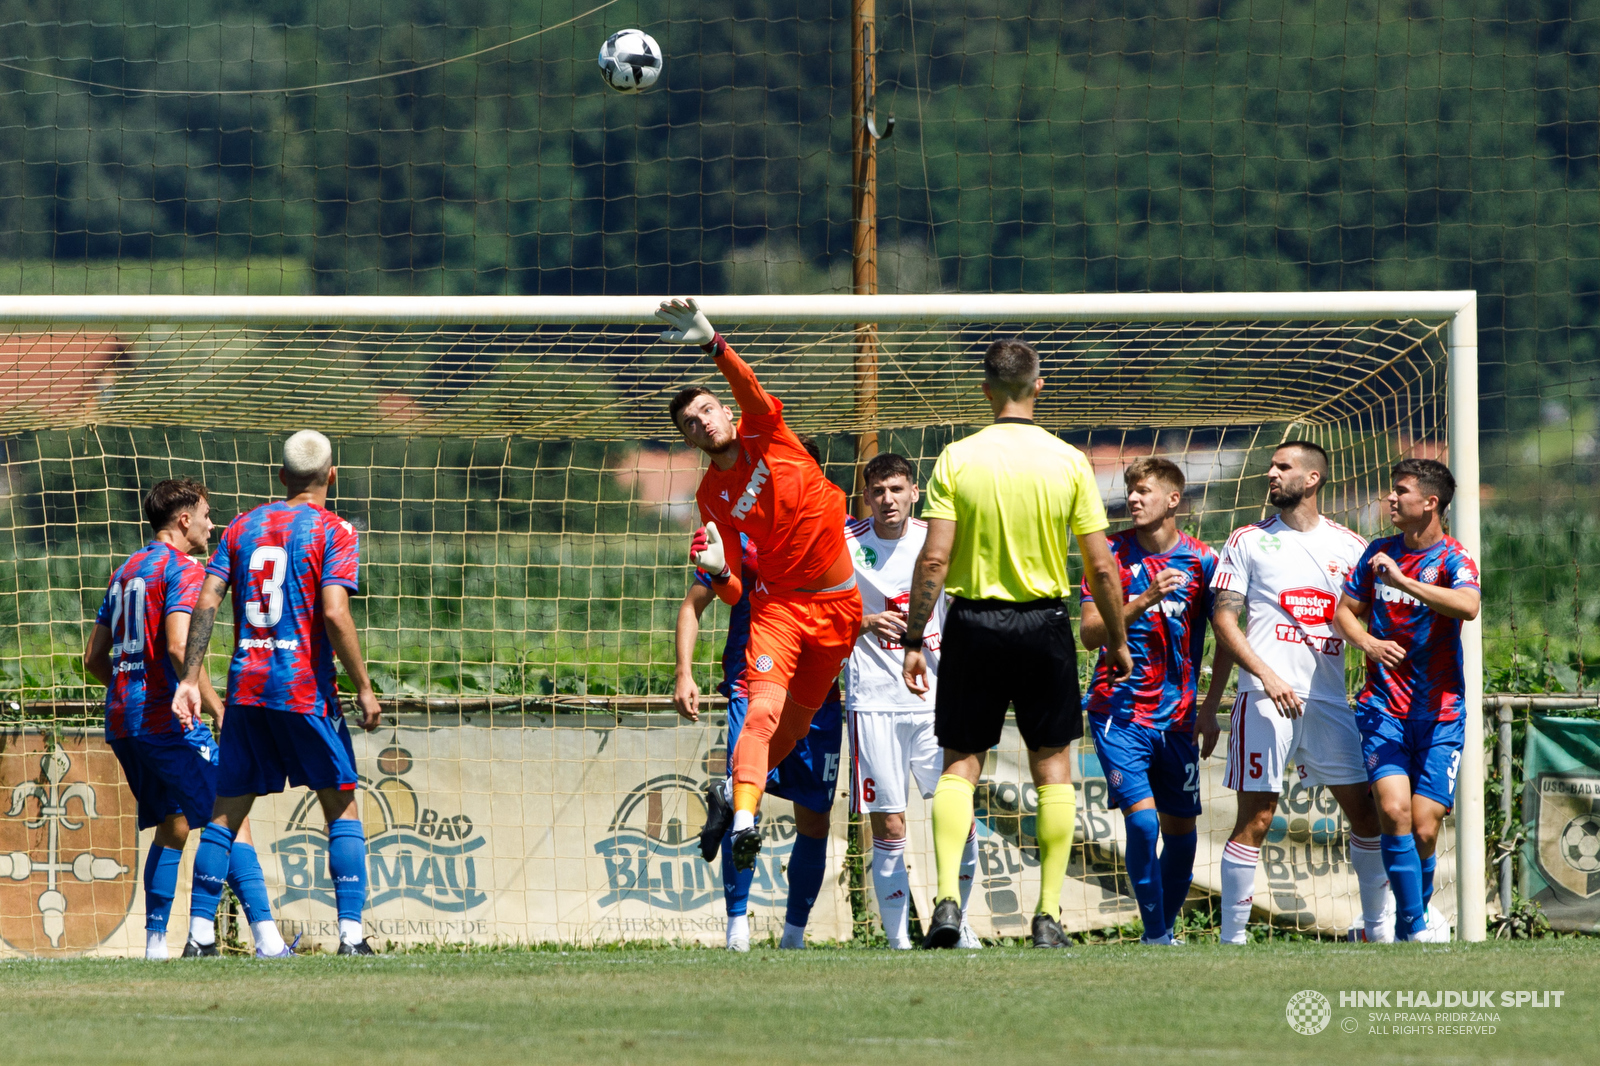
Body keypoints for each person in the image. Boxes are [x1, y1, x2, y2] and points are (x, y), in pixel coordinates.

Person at [901, 337, 1132, 949]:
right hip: (1045, 625)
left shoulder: (956, 458)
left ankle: (948, 902)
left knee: (959, 765)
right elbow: (1103, 568)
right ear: (1039, 386)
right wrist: (1117, 638)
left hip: (972, 623)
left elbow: (934, 559)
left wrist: (914, 636)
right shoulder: (1069, 461)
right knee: (1053, 768)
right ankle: (1049, 915)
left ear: (985, 391)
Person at [661, 298, 861, 873]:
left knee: (795, 729)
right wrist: (722, 571)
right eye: (689, 424)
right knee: (763, 714)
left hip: (838, 608)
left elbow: (747, 383)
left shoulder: (767, 432)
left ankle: (729, 793)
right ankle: (745, 819)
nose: (701, 423)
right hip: (778, 610)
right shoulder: (709, 499)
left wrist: (711, 341)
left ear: (725, 412)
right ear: (689, 440)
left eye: (706, 411)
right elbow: (729, 594)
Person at [172, 430, 383, 956]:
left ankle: (198, 939)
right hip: (304, 691)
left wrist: (188, 679)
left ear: (282, 475)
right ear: (331, 476)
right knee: (341, 806)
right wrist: (364, 686)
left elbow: (206, 601)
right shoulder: (335, 529)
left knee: (224, 815)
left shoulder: (243, 525)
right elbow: (334, 612)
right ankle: (352, 938)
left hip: (247, 689)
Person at [83, 478, 291, 960]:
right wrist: (219, 709)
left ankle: (156, 948)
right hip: (167, 722)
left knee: (174, 823)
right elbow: (180, 647)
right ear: (183, 520)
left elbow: (94, 657)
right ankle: (268, 940)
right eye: (206, 514)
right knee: (230, 820)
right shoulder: (184, 569)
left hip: (123, 722)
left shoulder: (125, 570)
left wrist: (129, 689)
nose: (211, 523)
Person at [1210, 441, 1393, 945]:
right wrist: (1266, 675)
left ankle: (1379, 929)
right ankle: (1232, 941)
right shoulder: (1247, 540)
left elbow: (1376, 619)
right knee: (1258, 817)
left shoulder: (1352, 547)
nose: (1270, 473)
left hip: (1331, 701)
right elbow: (1224, 619)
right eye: (1271, 466)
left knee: (1366, 814)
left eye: (1282, 467)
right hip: (1266, 698)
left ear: (1312, 479)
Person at [674, 435, 844, 952]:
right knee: (746, 804)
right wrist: (684, 671)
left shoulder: (836, 538)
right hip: (754, 683)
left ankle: (793, 936)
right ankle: (738, 930)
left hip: (817, 693)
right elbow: (693, 605)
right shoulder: (742, 540)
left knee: (814, 816)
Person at [1078, 458, 1233, 945]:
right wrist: (1142, 599)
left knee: (1182, 830)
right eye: (1131, 490)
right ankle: (1156, 935)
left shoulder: (1203, 561)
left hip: (1180, 719)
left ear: (1173, 500)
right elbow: (1089, 634)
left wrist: (1209, 709)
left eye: (1144, 490)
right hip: (1118, 712)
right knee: (1143, 825)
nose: (1134, 499)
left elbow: (1226, 637)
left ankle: (1159, 933)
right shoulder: (1108, 557)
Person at [1334, 458, 1480, 942]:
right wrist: (1368, 644)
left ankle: (1413, 918)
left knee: (1423, 828)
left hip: (1440, 714)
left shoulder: (1453, 559)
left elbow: (1469, 606)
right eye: (1391, 491)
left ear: (1430, 502)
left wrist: (1403, 582)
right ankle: (1411, 928)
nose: (1390, 499)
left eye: (1401, 491)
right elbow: (1344, 614)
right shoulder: (1377, 553)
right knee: (1393, 812)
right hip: (1382, 708)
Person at [844, 452, 978, 950]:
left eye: (897, 489)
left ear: (914, 492)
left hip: (935, 700)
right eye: (878, 491)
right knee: (891, 822)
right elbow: (815, 604)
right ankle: (899, 942)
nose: (888, 499)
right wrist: (863, 622)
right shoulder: (846, 543)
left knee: (957, 816)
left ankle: (958, 925)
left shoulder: (935, 540)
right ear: (866, 497)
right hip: (873, 701)